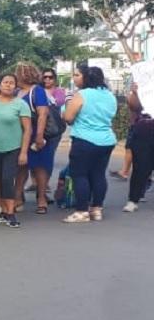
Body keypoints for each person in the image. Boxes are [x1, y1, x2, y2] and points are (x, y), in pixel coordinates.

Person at [62, 65, 117, 223]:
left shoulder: (82, 95)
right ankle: (97, 209)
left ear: (86, 78)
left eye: (78, 75)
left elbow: (68, 117)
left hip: (84, 139)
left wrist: (65, 112)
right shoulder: (110, 96)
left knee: (79, 175)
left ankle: (81, 211)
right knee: (98, 174)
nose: (75, 78)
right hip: (106, 140)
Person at [0, 74, 31, 229]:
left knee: (7, 179)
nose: (8, 85)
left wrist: (24, 152)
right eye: (5, 82)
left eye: (12, 83)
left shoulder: (21, 104)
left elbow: (27, 130)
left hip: (13, 148)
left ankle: (11, 212)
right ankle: (3, 212)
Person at [16, 62, 58, 214]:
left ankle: (41, 198)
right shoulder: (18, 92)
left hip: (35, 134)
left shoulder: (37, 91)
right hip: (20, 135)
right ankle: (18, 197)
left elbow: (43, 114)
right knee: (21, 167)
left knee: (39, 167)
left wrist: (39, 136)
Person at [124, 82, 153, 213]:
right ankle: (133, 199)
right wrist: (135, 92)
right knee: (140, 167)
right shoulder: (144, 82)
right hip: (144, 130)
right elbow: (133, 105)